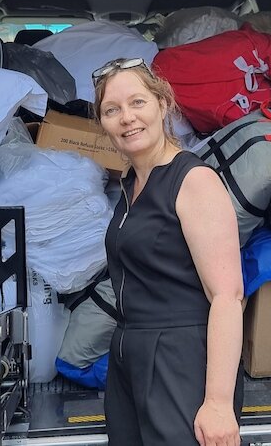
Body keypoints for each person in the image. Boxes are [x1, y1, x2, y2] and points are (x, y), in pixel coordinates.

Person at [93, 57, 244, 446]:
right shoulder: (132, 185)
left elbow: (227, 296)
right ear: (103, 123)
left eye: (138, 102)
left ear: (163, 104)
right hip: (129, 356)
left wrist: (217, 403)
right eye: (112, 110)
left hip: (180, 359)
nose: (127, 117)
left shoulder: (193, 180)